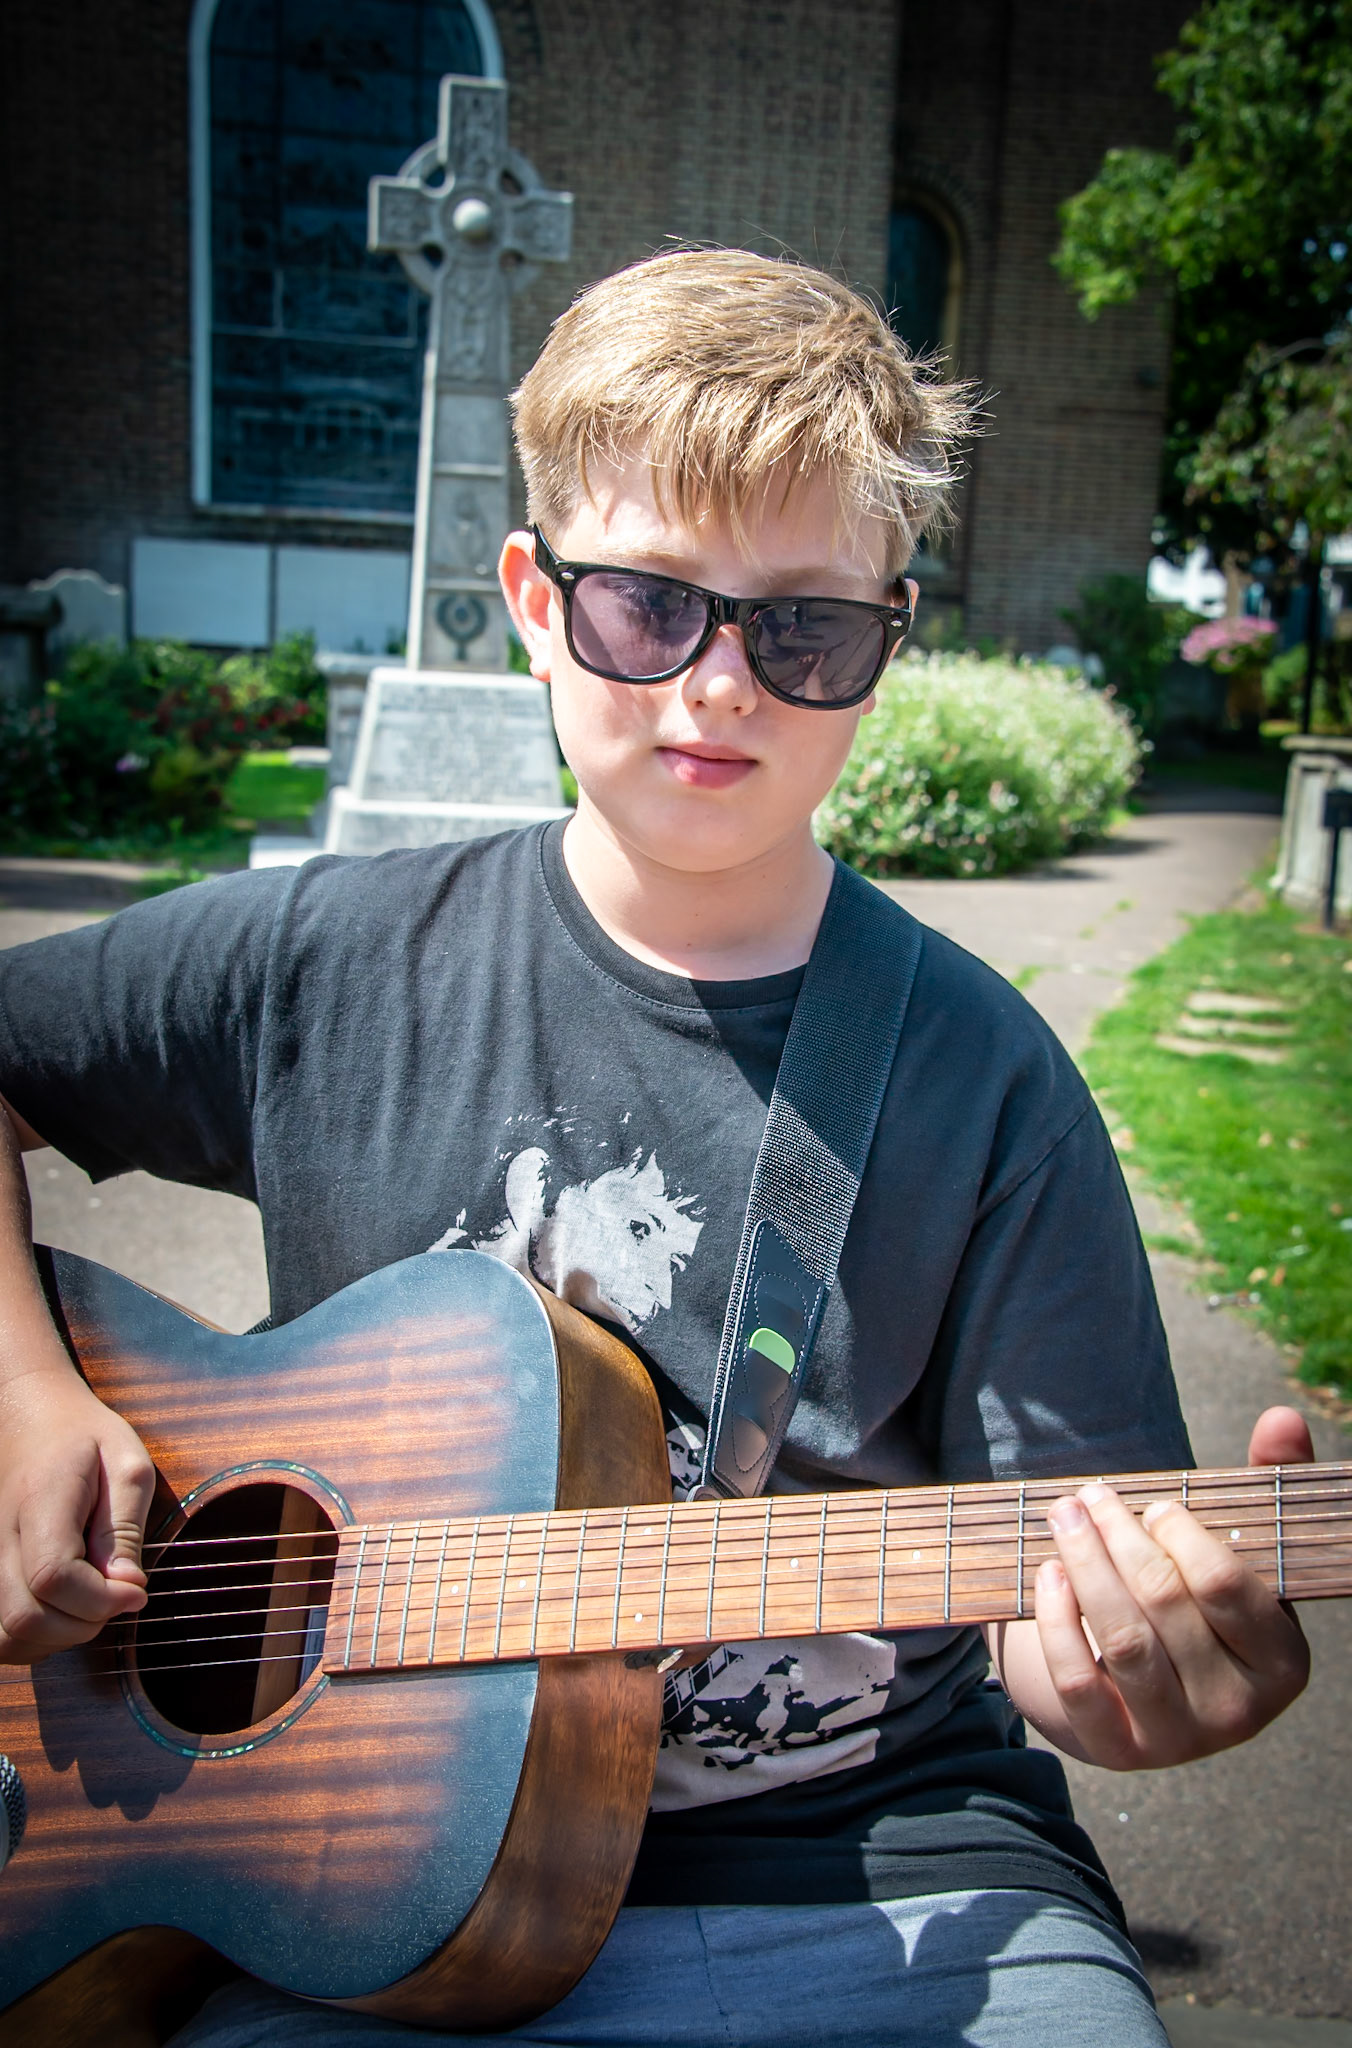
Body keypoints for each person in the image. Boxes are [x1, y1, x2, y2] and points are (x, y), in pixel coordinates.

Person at [0, 250, 1311, 2046]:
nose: (719, 687)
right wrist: (25, 1394)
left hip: (878, 1867)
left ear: (886, 644)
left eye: (805, 630)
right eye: (647, 609)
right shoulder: (324, 963)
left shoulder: (986, 1082)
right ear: (536, 602)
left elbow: (1072, 1611)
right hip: (341, 1882)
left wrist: (1139, 1678)